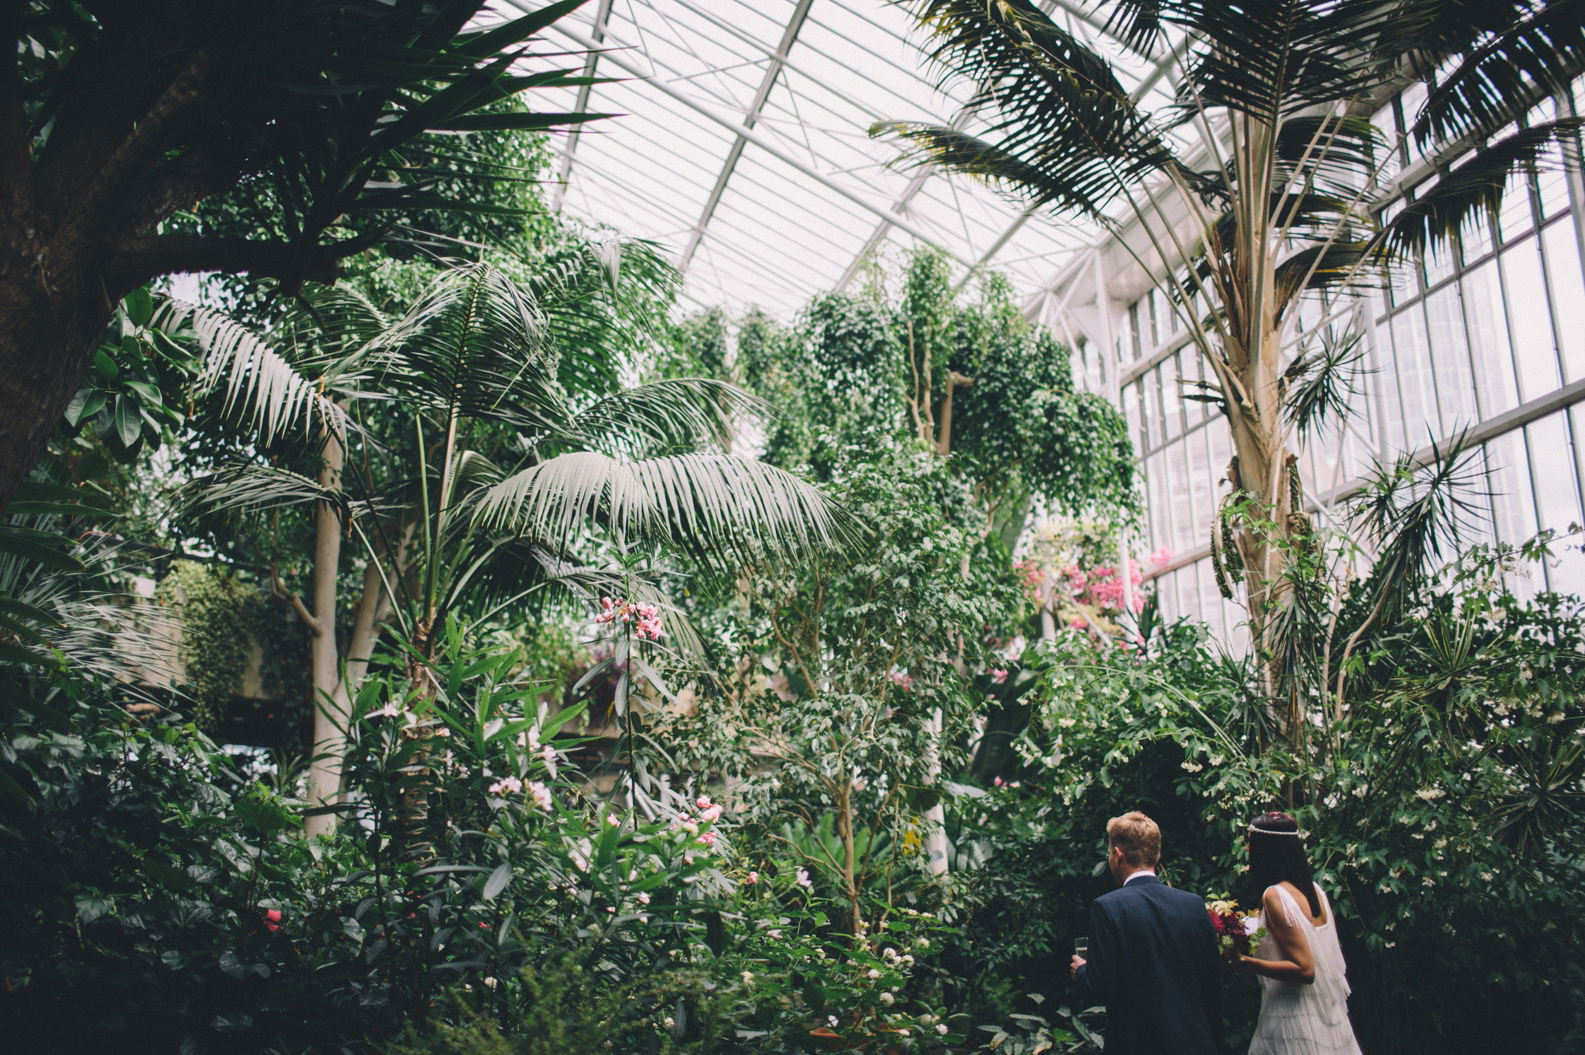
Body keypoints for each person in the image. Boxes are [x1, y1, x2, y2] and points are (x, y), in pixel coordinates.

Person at [1070, 811, 1221, 1055]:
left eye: (1109, 853)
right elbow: (1212, 985)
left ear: (1117, 854)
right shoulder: (1193, 904)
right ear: (1155, 854)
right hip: (1193, 1043)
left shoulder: (1108, 907)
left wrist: (1082, 971)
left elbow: (1099, 989)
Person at [1231, 812, 1363, 1055]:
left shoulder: (1274, 895)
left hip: (1292, 1018)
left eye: (1251, 842)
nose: (1247, 848)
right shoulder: (1316, 892)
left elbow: (1305, 970)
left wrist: (1243, 962)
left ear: (1267, 849)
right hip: (1329, 1019)